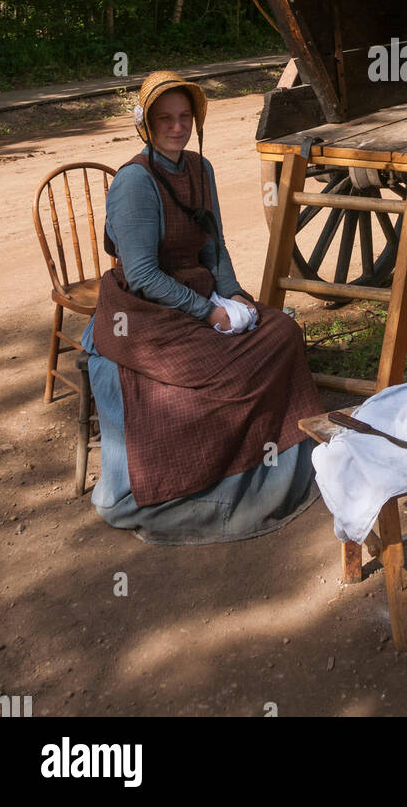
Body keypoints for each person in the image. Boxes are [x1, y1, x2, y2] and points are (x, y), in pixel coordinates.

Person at [80, 69, 322, 544]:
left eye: (185, 116)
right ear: (145, 124)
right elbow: (145, 276)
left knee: (281, 332)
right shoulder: (134, 183)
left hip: (196, 291)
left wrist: (232, 295)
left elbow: (216, 247)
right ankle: (206, 483)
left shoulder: (200, 169)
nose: (176, 127)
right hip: (141, 310)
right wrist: (208, 312)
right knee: (212, 368)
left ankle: (273, 460)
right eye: (165, 119)